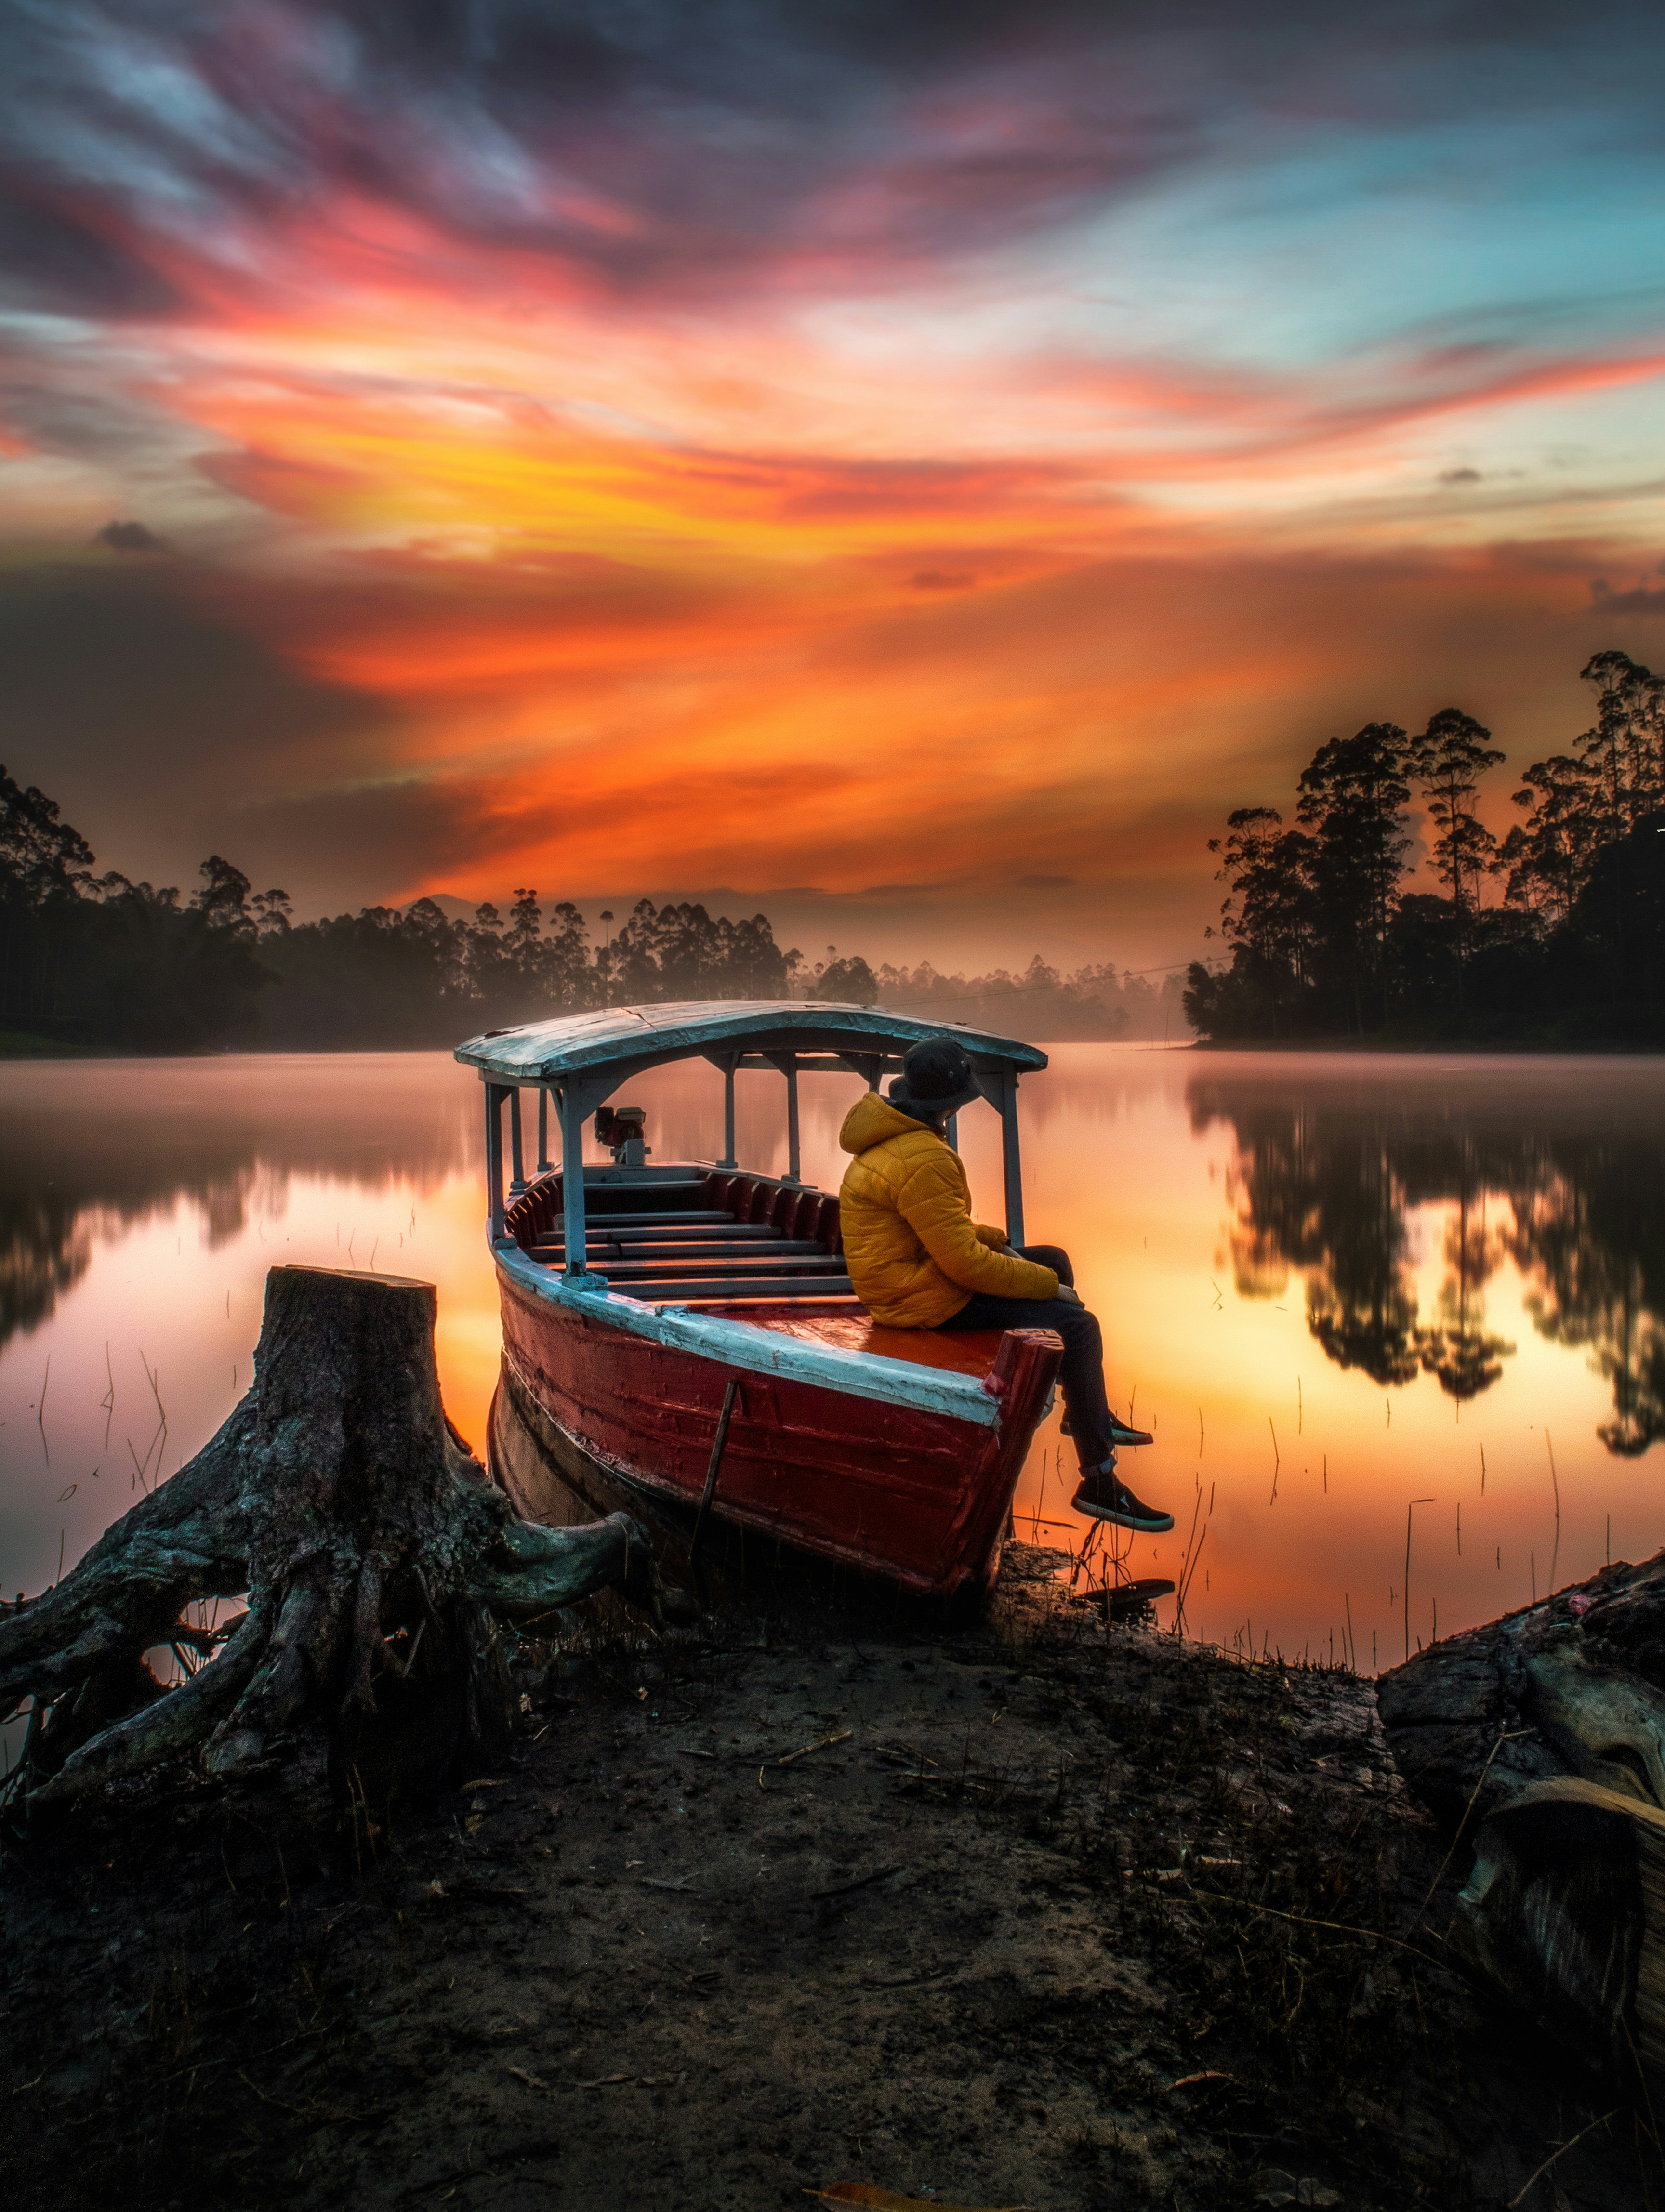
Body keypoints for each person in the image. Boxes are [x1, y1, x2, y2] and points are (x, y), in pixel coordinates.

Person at [837, 1034, 1173, 1534]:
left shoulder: (898, 1141)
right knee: (1078, 1325)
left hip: (910, 1279)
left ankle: (1083, 1410)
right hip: (918, 1299)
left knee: (1054, 1259)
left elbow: (937, 1226)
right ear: (948, 1102)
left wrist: (1001, 1242)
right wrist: (1043, 1287)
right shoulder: (923, 1157)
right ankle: (1099, 1482)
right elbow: (965, 1268)